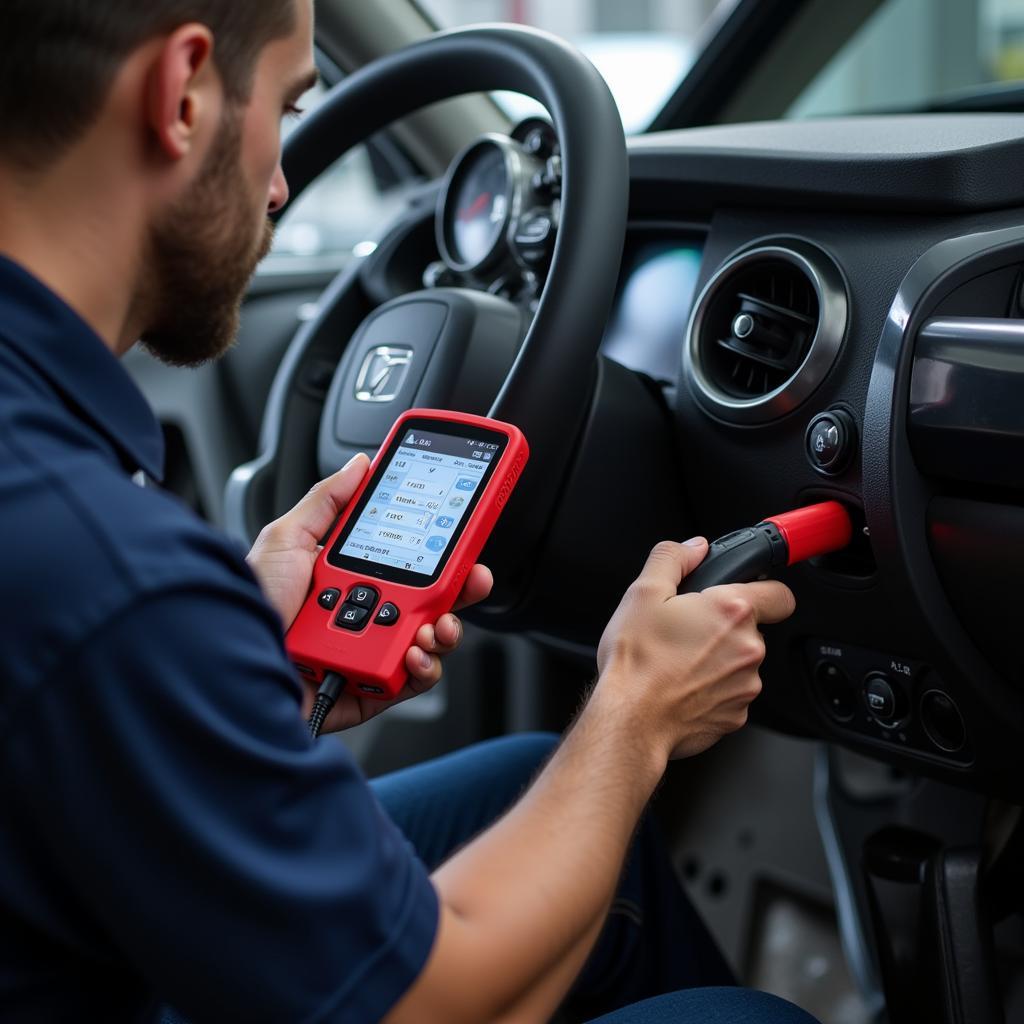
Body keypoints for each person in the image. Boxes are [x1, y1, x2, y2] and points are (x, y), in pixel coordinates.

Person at [0, 2, 817, 1022]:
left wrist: (236, 653)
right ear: (184, 93)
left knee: (527, 783)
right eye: (290, 107)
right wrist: (636, 711)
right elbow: (431, 1004)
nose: (282, 184)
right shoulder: (108, 576)